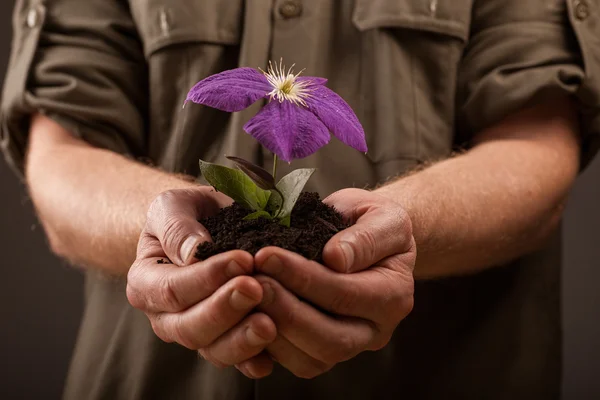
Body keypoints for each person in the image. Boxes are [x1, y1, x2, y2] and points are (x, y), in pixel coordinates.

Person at [2, 0, 599, 399]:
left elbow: (537, 140)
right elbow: (62, 150)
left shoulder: (307, 99)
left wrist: (395, 229)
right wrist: (171, 231)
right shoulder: (254, 89)